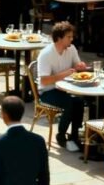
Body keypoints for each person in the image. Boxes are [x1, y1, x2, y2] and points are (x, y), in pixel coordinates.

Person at [36, 22, 88, 152]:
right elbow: (44, 80)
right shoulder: (46, 54)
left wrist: (81, 66)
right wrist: (63, 74)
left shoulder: (71, 49)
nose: (72, 39)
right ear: (59, 38)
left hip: (66, 89)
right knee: (70, 103)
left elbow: (78, 66)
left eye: (72, 36)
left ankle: (75, 136)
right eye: (69, 37)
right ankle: (61, 135)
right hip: (48, 91)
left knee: (80, 102)